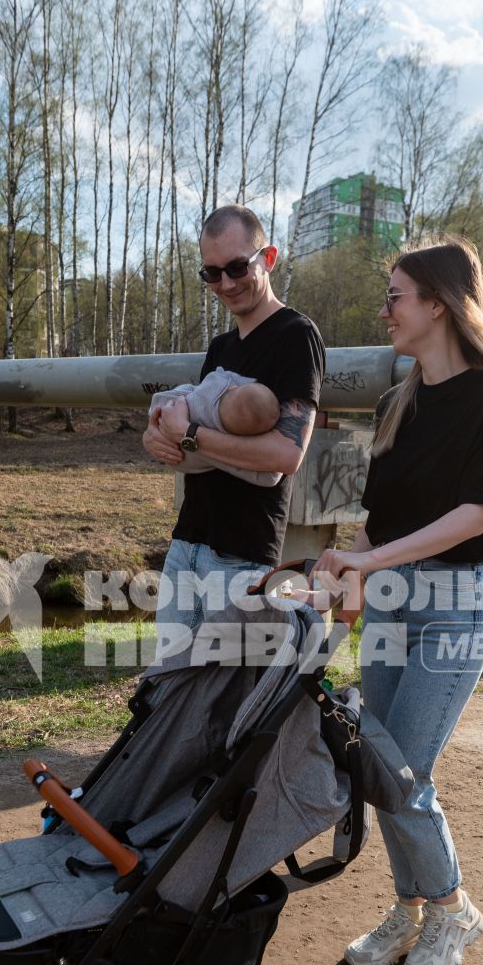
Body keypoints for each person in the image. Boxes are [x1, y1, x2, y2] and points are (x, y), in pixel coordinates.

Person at [313, 237, 483, 965]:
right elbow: (381, 520)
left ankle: (451, 907)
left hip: (455, 605)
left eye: (395, 296)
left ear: (437, 304)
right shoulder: (395, 402)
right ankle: (408, 910)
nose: (385, 310)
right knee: (381, 768)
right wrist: (342, 568)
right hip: (395, 604)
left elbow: (474, 516)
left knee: (403, 771)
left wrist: (372, 563)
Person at [144, 205, 323, 650]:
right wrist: (155, 434)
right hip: (188, 539)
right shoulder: (221, 347)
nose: (226, 283)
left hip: (241, 554)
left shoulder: (296, 336)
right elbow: (186, 421)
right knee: (170, 686)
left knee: (227, 699)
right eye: (212, 273)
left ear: (269, 258)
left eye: (238, 267)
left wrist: (189, 437)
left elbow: (286, 455)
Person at [148, 371, 286, 487]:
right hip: (184, 462)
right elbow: (270, 477)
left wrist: (159, 424)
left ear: (233, 387)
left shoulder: (216, 386)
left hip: (171, 421)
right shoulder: (228, 452)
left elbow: (221, 374)